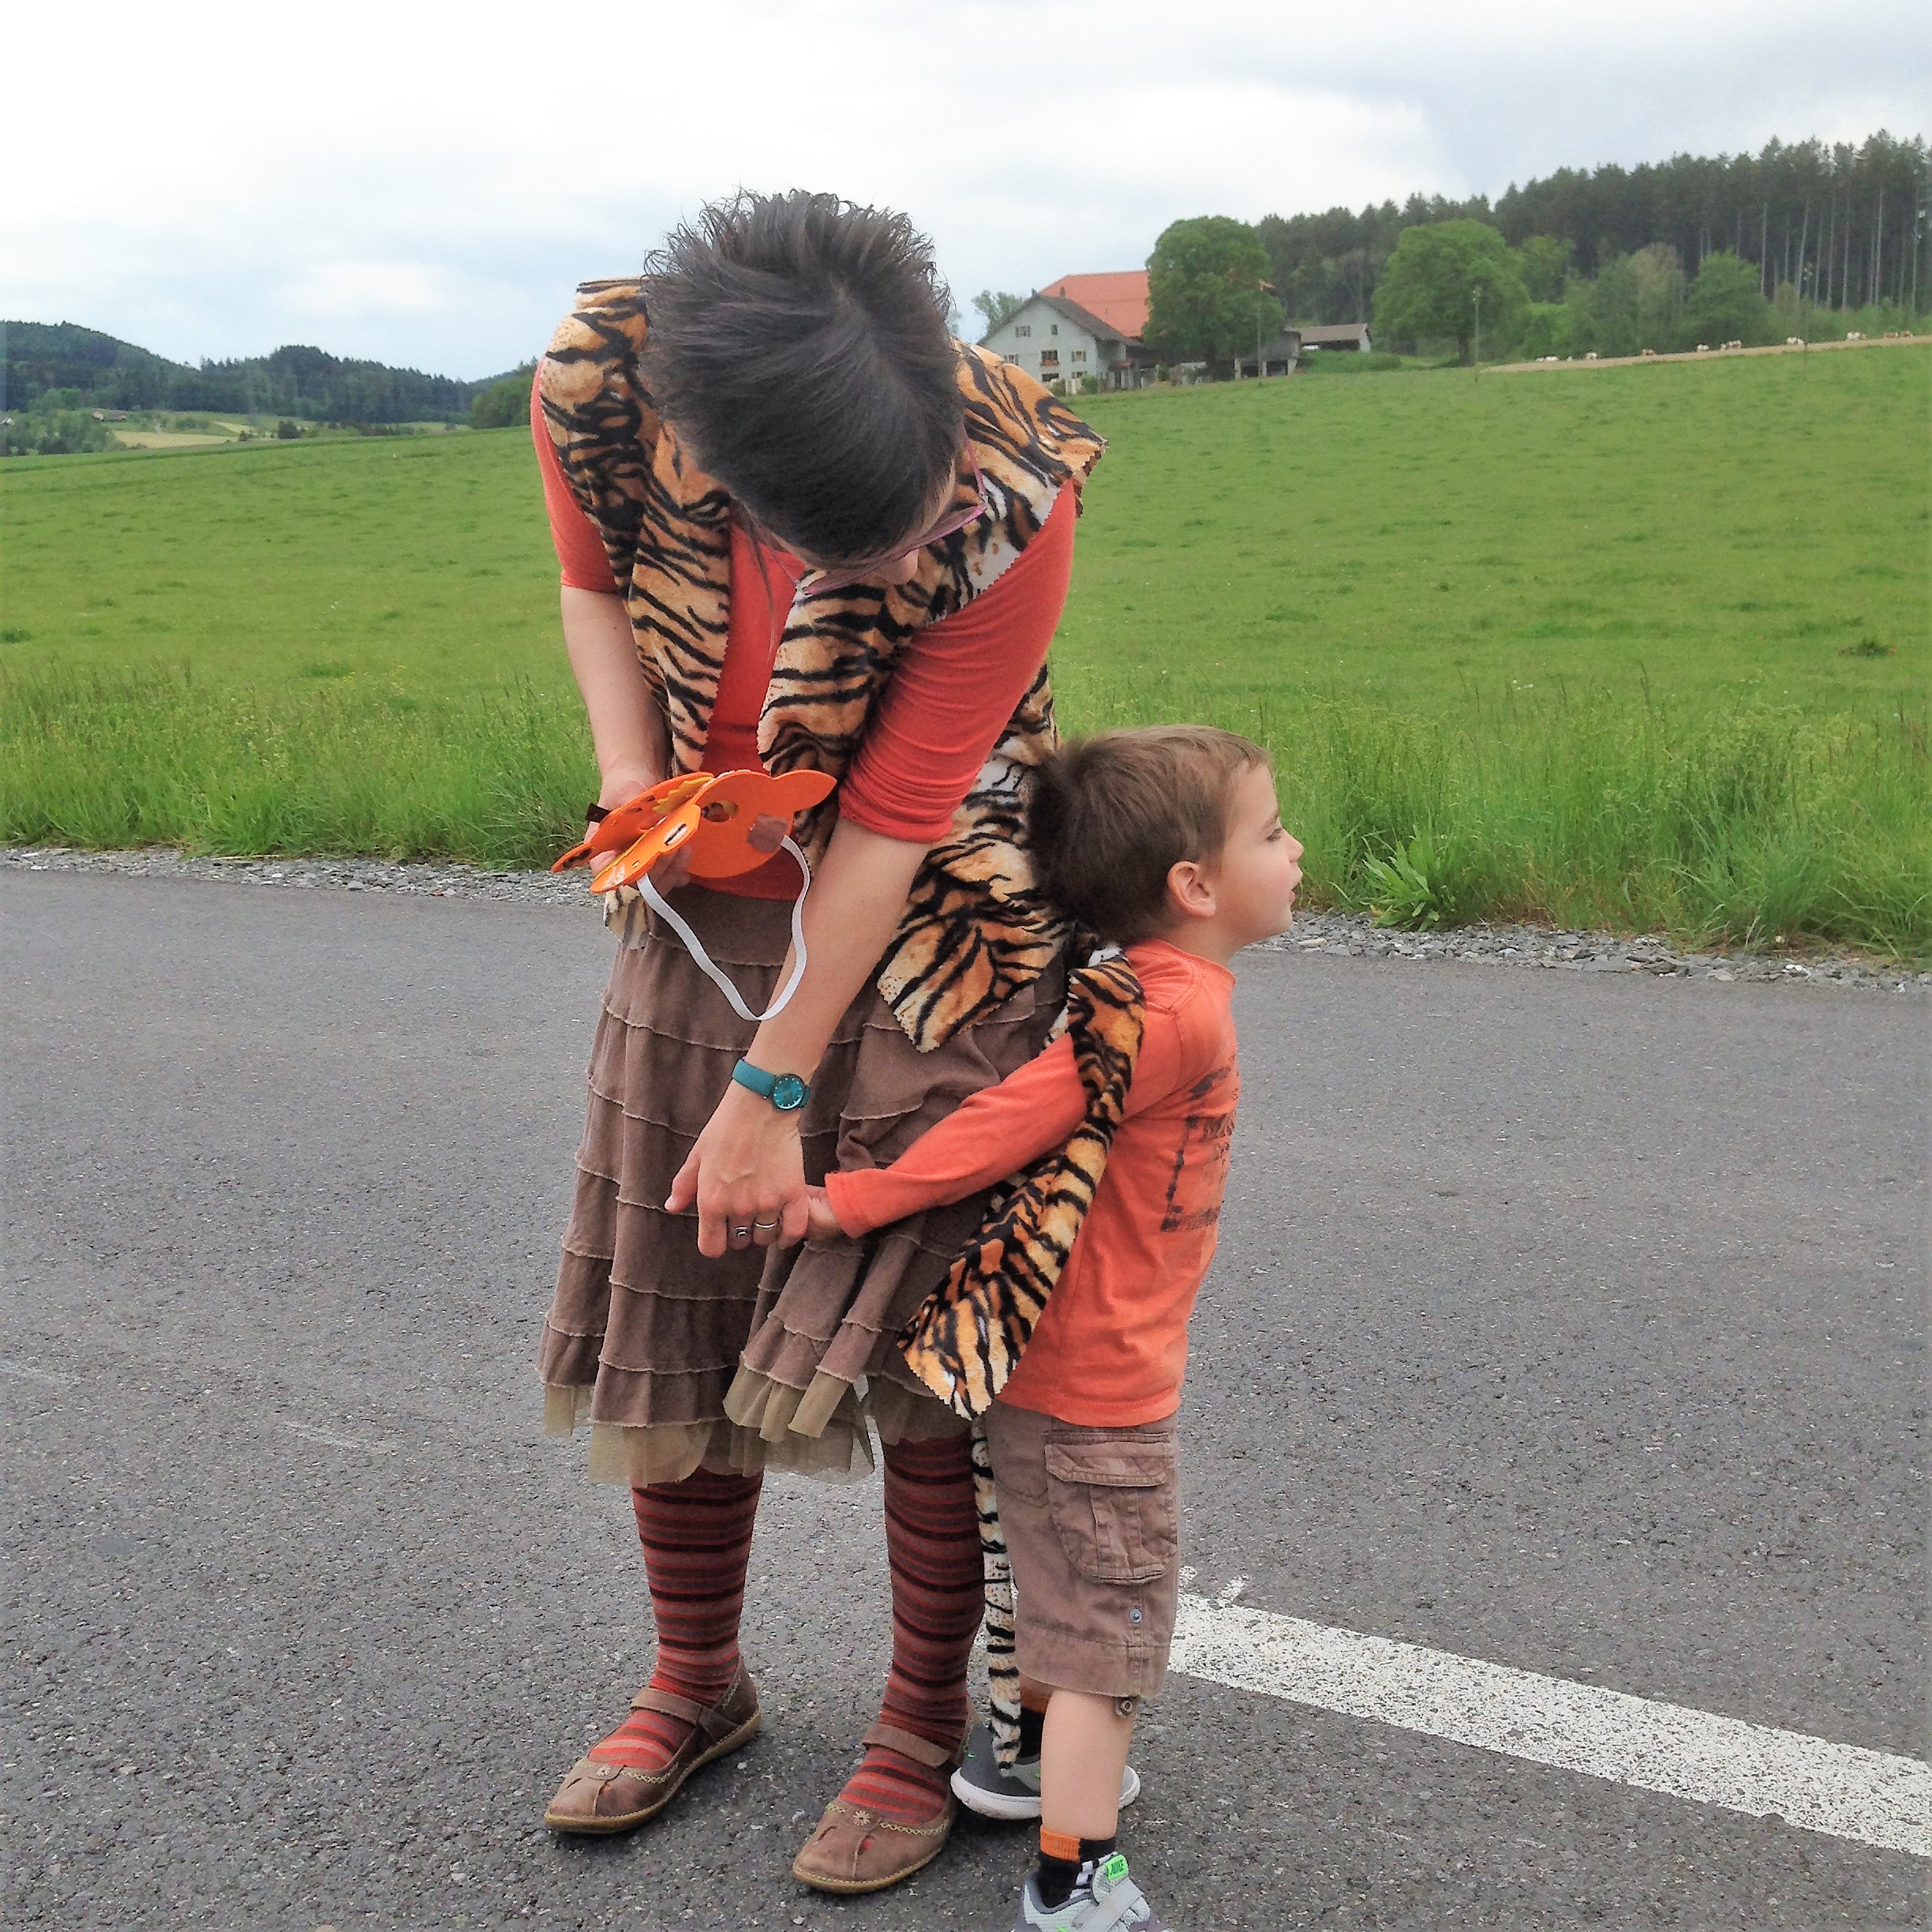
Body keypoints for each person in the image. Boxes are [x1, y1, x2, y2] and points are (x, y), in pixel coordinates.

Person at [530, 189, 1106, 1896]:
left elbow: (899, 820)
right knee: (684, 1275)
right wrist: (637, 779)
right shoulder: (599, 386)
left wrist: (776, 1079)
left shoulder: (1014, 493)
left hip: (930, 923)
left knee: (911, 1315)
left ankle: (917, 1726)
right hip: (710, 887)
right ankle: (696, 1683)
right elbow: (591, 589)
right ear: (714, 452)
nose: (913, 549)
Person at [807, 726, 1305, 1930]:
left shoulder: (1146, 993)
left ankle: (1017, 1762)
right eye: (1272, 832)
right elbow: (1011, 1121)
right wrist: (856, 1200)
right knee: (1107, 1640)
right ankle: (1072, 1878)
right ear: (1195, 886)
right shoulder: (1172, 1014)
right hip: (1099, 1390)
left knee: (1066, 1596)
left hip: (1062, 1371)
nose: (1295, 852)